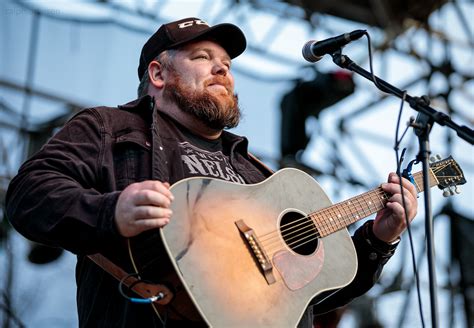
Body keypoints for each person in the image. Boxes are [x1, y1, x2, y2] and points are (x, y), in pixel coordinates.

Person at [5, 17, 418, 327]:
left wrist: (380, 238)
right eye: (203, 58)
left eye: (226, 63)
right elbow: (29, 194)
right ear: (158, 74)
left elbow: (314, 291)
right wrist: (110, 212)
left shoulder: (256, 172)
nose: (223, 69)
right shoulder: (108, 127)